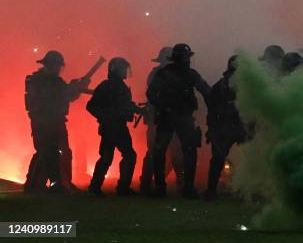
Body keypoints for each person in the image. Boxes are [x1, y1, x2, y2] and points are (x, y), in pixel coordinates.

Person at [146, 43, 210, 198]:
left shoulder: (179, 74)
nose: (187, 60)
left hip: (179, 118)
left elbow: (206, 91)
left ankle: (180, 187)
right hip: (173, 118)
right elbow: (151, 94)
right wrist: (164, 107)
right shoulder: (166, 74)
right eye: (185, 57)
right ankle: (169, 187)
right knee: (165, 151)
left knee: (179, 151)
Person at [24, 51, 89, 193]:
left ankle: (61, 182)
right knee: (47, 152)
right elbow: (60, 94)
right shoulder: (41, 81)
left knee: (61, 151)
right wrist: (74, 87)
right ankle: (44, 184)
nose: (58, 69)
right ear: (49, 65)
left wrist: (75, 88)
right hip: (44, 122)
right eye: (56, 65)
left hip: (55, 121)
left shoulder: (51, 81)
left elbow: (66, 95)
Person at [86, 57, 143, 196]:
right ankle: (121, 188)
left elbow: (125, 105)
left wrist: (137, 109)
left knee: (107, 157)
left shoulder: (118, 87)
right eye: (123, 68)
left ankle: (95, 187)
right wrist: (105, 117)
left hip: (115, 126)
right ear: (116, 70)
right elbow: (91, 106)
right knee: (126, 155)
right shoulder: (106, 86)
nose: (125, 71)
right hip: (113, 127)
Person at [139, 47, 184, 195]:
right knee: (153, 151)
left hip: (172, 119)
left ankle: (180, 183)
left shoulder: (178, 74)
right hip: (157, 119)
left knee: (176, 151)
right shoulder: (156, 75)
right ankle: (146, 184)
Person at [204, 55, 245, 199]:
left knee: (246, 158)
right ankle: (211, 190)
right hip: (226, 127)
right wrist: (211, 129)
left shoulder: (246, 86)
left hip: (238, 127)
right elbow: (212, 110)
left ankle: (243, 188)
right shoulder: (221, 87)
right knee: (218, 159)